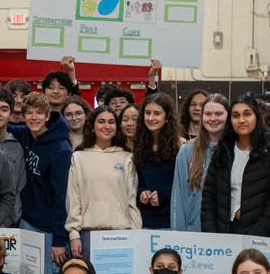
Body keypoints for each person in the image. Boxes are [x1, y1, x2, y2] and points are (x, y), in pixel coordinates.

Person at [201, 93, 270, 244]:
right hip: (225, 232)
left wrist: (254, 237)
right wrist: (211, 235)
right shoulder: (224, 149)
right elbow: (209, 197)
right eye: (236, 115)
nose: (241, 120)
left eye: (247, 114)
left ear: (257, 117)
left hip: (262, 235)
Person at [9, 92, 73, 274]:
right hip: (28, 222)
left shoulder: (60, 149)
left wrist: (58, 240)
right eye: (29, 113)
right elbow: (5, 127)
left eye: (39, 113)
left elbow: (60, 198)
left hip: (49, 229)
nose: (33, 118)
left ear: (47, 116)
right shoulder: (27, 135)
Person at [66, 105, 141, 257]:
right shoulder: (78, 158)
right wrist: (74, 234)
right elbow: (73, 199)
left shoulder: (127, 157)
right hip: (88, 234)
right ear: (92, 127)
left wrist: (136, 233)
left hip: (122, 233)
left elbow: (132, 200)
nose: (107, 126)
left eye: (111, 122)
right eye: (101, 121)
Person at [171, 93, 228, 233]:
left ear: (228, 116)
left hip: (227, 234)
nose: (213, 119)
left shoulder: (234, 151)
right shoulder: (187, 150)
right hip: (193, 233)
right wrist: (178, 235)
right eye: (208, 114)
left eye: (219, 114)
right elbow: (178, 199)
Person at [133, 93, 179, 229]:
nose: (151, 118)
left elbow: (183, 186)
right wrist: (142, 193)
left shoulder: (180, 146)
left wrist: (163, 195)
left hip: (171, 220)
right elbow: (138, 182)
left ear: (167, 118)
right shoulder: (139, 146)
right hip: (145, 221)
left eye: (157, 113)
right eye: (147, 113)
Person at [0, 86, 26, 225]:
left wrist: (6, 221)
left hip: (10, 224)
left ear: (10, 113)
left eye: (4, 109)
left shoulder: (17, 147)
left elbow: (19, 188)